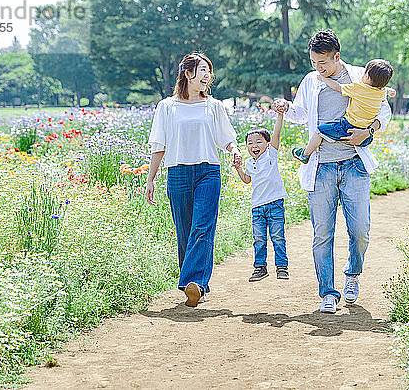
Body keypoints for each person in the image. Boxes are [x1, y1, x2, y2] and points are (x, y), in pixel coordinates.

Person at [272, 29, 392, 313]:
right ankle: (327, 291)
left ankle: (352, 275)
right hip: (322, 167)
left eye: (323, 63)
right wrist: (285, 108)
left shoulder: (362, 76)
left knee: (360, 230)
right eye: (314, 62)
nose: (318, 68)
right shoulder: (311, 81)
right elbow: (301, 113)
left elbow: (383, 110)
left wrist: (368, 130)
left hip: (353, 163)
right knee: (322, 233)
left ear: (337, 56)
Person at [145, 52, 242, 307]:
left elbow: (226, 137)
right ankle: (198, 287)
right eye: (202, 70)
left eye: (209, 71)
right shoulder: (167, 107)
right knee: (185, 232)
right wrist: (151, 179)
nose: (207, 75)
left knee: (202, 227)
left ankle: (192, 281)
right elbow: (159, 145)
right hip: (177, 172)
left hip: (208, 171)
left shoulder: (214, 106)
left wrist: (234, 150)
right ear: (187, 74)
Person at [291, 59, 395, 163]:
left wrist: (324, 79)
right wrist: (389, 91)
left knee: (319, 131)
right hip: (365, 136)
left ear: (367, 77)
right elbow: (381, 90)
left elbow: (338, 87)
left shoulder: (358, 88)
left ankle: (305, 154)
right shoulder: (381, 93)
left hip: (348, 126)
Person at [232, 111, 289, 282]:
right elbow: (247, 180)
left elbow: (277, 133)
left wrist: (280, 116)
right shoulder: (249, 163)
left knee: (277, 237)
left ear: (268, 144)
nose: (254, 145)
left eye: (258, 142)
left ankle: (282, 267)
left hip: (275, 204)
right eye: (250, 143)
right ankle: (260, 268)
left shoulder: (271, 155)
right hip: (257, 207)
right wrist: (239, 168)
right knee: (259, 239)